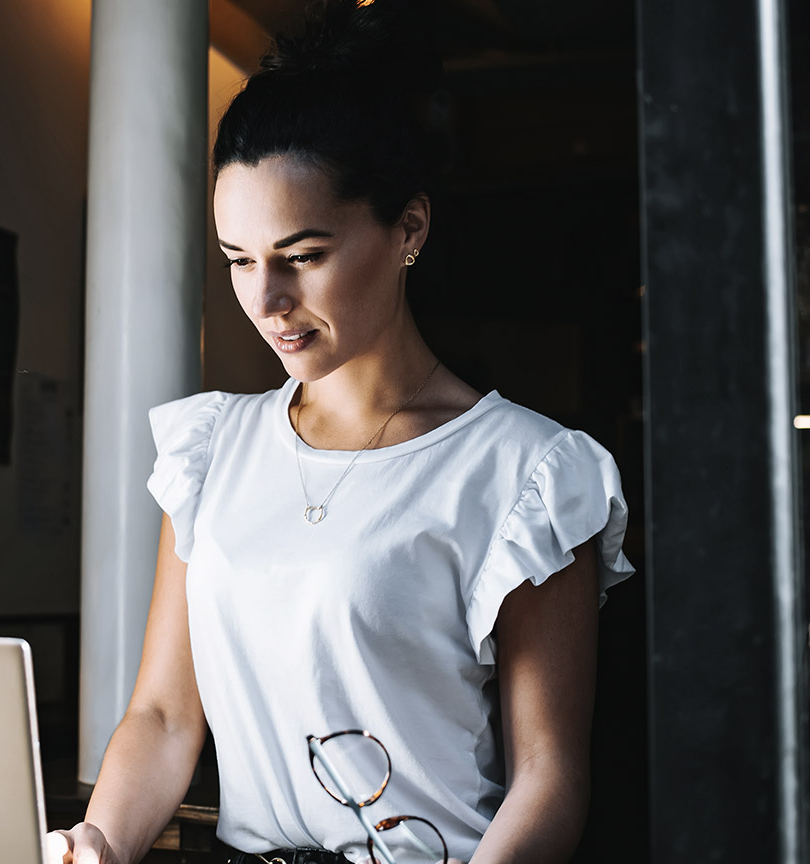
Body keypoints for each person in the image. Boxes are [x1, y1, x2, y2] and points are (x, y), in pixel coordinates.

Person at [49, 1, 633, 861]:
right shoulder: (213, 451)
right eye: (239, 260)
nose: (266, 300)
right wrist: (100, 840)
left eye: (304, 255)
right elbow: (165, 718)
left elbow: (549, 779)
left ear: (409, 229)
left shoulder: (526, 474)